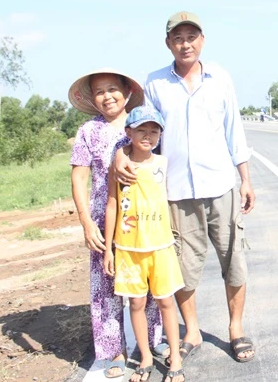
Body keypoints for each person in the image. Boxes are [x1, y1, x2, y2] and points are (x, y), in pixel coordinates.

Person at [115, 10, 257, 363]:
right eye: (178, 38)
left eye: (191, 37)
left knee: (233, 260)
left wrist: (245, 179)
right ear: (168, 44)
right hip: (175, 191)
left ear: (202, 40)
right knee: (182, 267)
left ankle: (235, 329)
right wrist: (121, 153)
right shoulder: (155, 83)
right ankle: (192, 331)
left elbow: (234, 130)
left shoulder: (220, 78)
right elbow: (142, 130)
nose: (185, 44)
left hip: (220, 185)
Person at [68, 69, 167, 379]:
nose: (107, 96)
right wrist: (86, 222)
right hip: (104, 219)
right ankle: (115, 351)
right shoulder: (87, 131)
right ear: (92, 99)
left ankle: (150, 342)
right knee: (106, 287)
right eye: (99, 92)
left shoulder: (142, 123)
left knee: (148, 284)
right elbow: (78, 177)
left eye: (112, 89)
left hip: (143, 220)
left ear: (127, 92)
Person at [104, 106, 185, 382]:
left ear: (160, 135)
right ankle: (146, 356)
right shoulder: (119, 167)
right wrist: (109, 249)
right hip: (128, 249)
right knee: (136, 304)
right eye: (141, 130)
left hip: (161, 247)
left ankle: (175, 358)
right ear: (128, 132)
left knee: (166, 302)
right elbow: (112, 205)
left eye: (154, 131)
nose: (148, 136)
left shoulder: (163, 163)